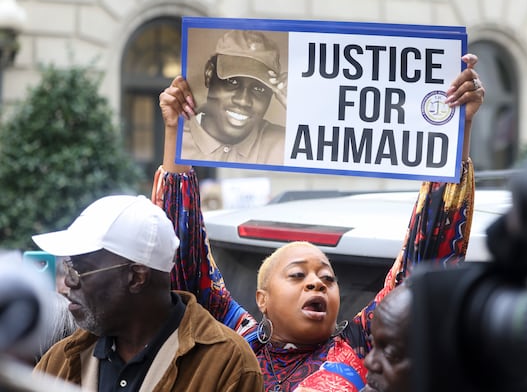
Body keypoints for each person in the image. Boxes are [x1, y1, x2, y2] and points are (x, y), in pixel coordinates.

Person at [154, 53, 485, 391]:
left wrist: (456, 128)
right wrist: (176, 131)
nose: (317, 284)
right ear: (262, 299)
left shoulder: (362, 345)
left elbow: (421, 270)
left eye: (327, 278)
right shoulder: (234, 339)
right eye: (297, 275)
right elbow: (184, 268)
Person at [31, 195, 264, 391]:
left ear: (137, 277)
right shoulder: (61, 360)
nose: (68, 283)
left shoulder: (226, 363)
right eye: (68, 267)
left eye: (81, 270)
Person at [180, 29, 287, 165]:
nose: (243, 100)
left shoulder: (283, 146)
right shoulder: (176, 138)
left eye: (259, 89)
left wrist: (300, 110)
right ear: (209, 74)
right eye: (232, 82)